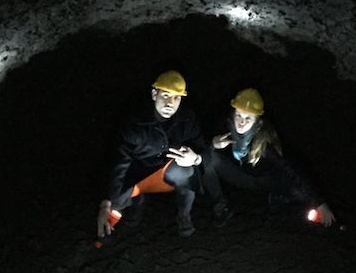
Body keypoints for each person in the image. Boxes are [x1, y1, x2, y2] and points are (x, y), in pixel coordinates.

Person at [96, 70, 209, 238]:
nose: (170, 103)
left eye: (176, 97)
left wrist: (196, 158)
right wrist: (106, 201)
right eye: (165, 95)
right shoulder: (135, 122)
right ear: (154, 94)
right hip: (139, 176)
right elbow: (118, 162)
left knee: (186, 171)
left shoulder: (187, 119)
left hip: (168, 173)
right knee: (115, 200)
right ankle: (134, 211)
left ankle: (184, 216)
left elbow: (202, 148)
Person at [202, 88, 336, 227]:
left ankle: (278, 200)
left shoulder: (264, 142)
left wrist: (319, 203)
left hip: (261, 182)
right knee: (207, 157)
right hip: (238, 177)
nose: (241, 122)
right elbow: (198, 147)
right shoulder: (224, 129)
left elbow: (290, 170)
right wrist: (213, 144)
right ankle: (221, 205)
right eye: (239, 116)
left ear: (257, 121)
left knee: (297, 192)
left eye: (248, 118)